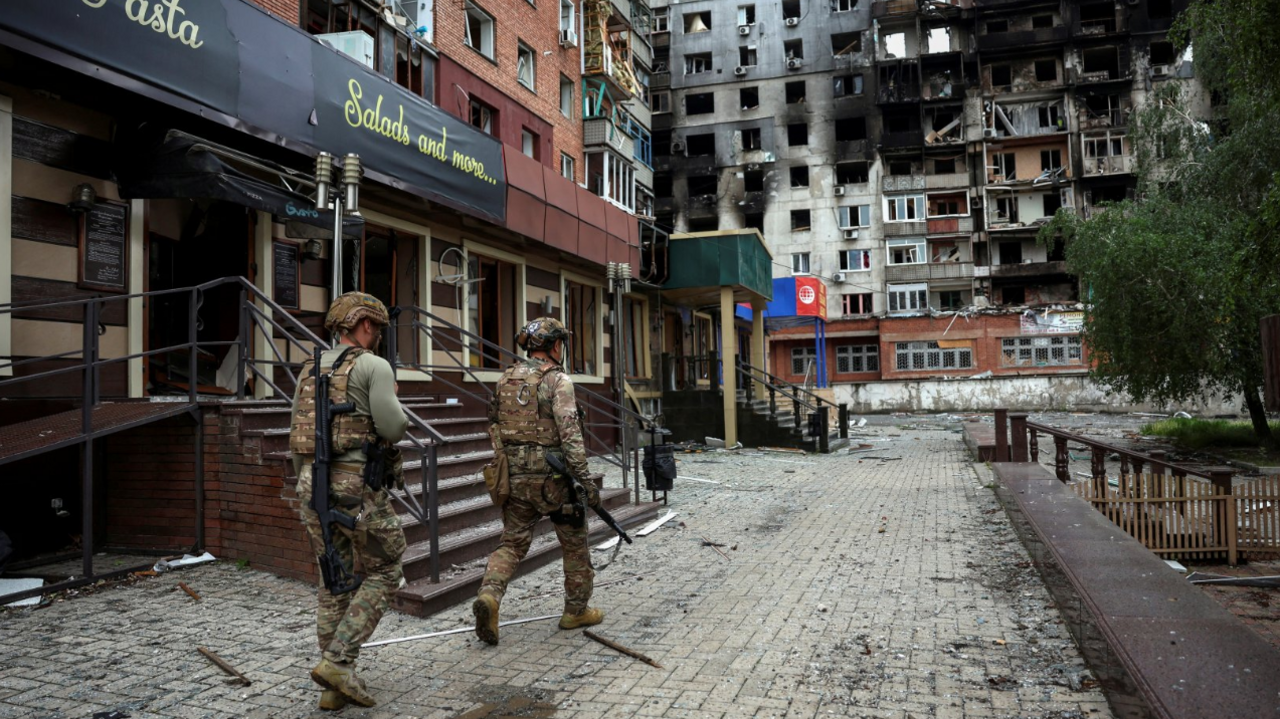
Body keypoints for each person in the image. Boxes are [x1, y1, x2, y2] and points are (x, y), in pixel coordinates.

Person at [289, 292, 408, 710]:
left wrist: (308, 483)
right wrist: (392, 395)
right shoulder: (373, 365)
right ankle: (338, 662)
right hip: (356, 484)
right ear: (365, 326)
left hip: (311, 482)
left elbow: (297, 436)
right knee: (387, 566)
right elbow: (393, 427)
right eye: (375, 328)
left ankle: (331, 689)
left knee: (333, 576)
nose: (375, 336)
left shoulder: (308, 368)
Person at [473, 317, 604, 645]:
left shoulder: (505, 379)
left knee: (512, 543)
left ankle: (489, 596)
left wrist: (507, 464)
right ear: (556, 345)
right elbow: (570, 435)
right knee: (574, 542)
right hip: (555, 481)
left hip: (516, 480)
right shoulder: (558, 380)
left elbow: (493, 426)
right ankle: (576, 610)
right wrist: (586, 483)